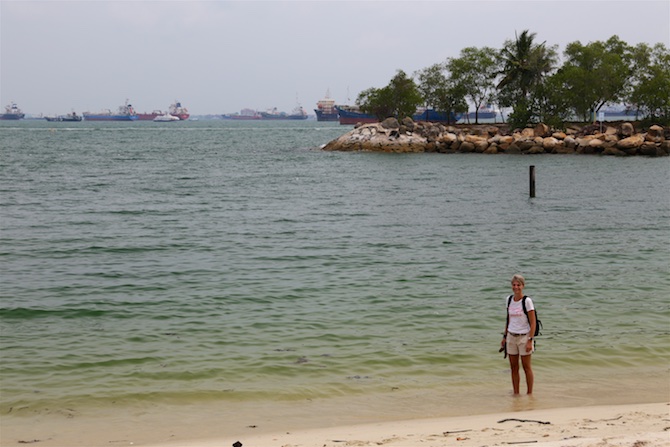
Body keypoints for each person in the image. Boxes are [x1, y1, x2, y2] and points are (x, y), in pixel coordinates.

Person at [501, 274, 536, 395]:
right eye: (514, 285)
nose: (516, 287)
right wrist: (504, 337)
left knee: (526, 367)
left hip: (524, 337)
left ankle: (529, 394)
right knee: (514, 368)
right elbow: (508, 319)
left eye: (518, 285)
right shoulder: (509, 300)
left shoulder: (527, 301)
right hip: (511, 336)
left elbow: (533, 322)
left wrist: (530, 340)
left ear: (523, 286)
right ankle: (516, 393)